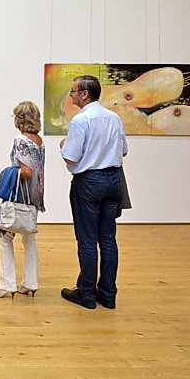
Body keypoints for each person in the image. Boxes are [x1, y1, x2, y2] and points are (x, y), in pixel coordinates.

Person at [60, 75, 128, 310]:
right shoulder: (114, 118)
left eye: (73, 91)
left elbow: (70, 157)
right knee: (108, 238)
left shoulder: (81, 120)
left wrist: (63, 145)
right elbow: (123, 151)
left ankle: (87, 293)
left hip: (89, 182)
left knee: (87, 239)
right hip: (114, 180)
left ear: (84, 94)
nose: (71, 95)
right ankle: (108, 294)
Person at [0, 101, 45, 299]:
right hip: (35, 195)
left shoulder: (21, 140)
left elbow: (26, 171)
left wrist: (5, 173)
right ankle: (30, 283)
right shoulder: (39, 141)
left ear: (20, 119)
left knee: (4, 236)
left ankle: (6, 285)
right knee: (29, 237)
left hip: (19, 195)